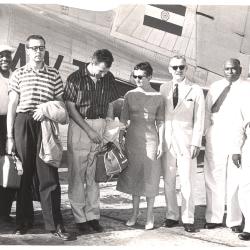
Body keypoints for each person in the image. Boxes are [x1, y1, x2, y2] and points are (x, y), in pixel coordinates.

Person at [6, 35, 71, 240]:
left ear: (45, 50)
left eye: (41, 48)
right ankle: (23, 221)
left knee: (49, 176)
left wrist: (46, 110)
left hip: (45, 124)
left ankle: (55, 224)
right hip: (23, 122)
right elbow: (12, 106)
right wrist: (10, 136)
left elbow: (62, 105)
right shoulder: (18, 74)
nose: (37, 52)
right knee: (24, 175)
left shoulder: (53, 74)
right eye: (33, 48)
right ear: (27, 50)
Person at [63, 49, 120, 234]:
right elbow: (71, 108)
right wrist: (89, 130)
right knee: (77, 175)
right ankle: (80, 218)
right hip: (81, 126)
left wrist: (108, 128)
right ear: (92, 62)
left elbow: (110, 104)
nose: (103, 74)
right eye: (100, 70)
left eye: (105, 71)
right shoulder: (75, 78)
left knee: (94, 175)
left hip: (100, 125)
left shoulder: (108, 78)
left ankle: (93, 216)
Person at [116, 62, 164, 230]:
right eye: (134, 76)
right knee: (135, 176)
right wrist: (120, 137)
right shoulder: (129, 94)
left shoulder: (158, 96)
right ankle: (134, 214)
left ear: (149, 77)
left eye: (140, 77)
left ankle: (150, 216)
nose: (137, 79)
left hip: (151, 139)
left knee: (150, 176)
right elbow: (123, 119)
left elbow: (161, 122)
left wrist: (161, 143)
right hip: (133, 139)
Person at [160, 55, 205, 233]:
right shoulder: (163, 88)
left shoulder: (195, 89)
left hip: (187, 142)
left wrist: (196, 142)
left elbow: (200, 118)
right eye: (175, 67)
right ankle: (171, 215)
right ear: (169, 69)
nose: (178, 70)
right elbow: (161, 115)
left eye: (182, 67)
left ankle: (188, 218)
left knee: (187, 181)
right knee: (169, 181)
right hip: (167, 141)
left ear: (186, 69)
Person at [203, 58, 244, 232]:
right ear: (223, 70)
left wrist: (237, 147)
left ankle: (234, 221)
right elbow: (206, 112)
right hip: (216, 135)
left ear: (240, 69)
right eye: (227, 69)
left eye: (234, 69)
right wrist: (205, 134)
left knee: (235, 180)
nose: (230, 72)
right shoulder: (215, 87)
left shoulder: (247, 88)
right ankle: (213, 217)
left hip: (237, 136)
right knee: (213, 177)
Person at [0, 45, 17, 223]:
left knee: (9, 167)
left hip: (10, 124)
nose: (4, 59)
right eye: (1, 56)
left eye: (7, 56)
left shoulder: (15, 76)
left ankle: (4, 211)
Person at [231, 86, 250, 240]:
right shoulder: (245, 96)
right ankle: (249, 227)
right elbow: (239, 126)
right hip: (249, 144)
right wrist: (236, 149)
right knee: (246, 186)